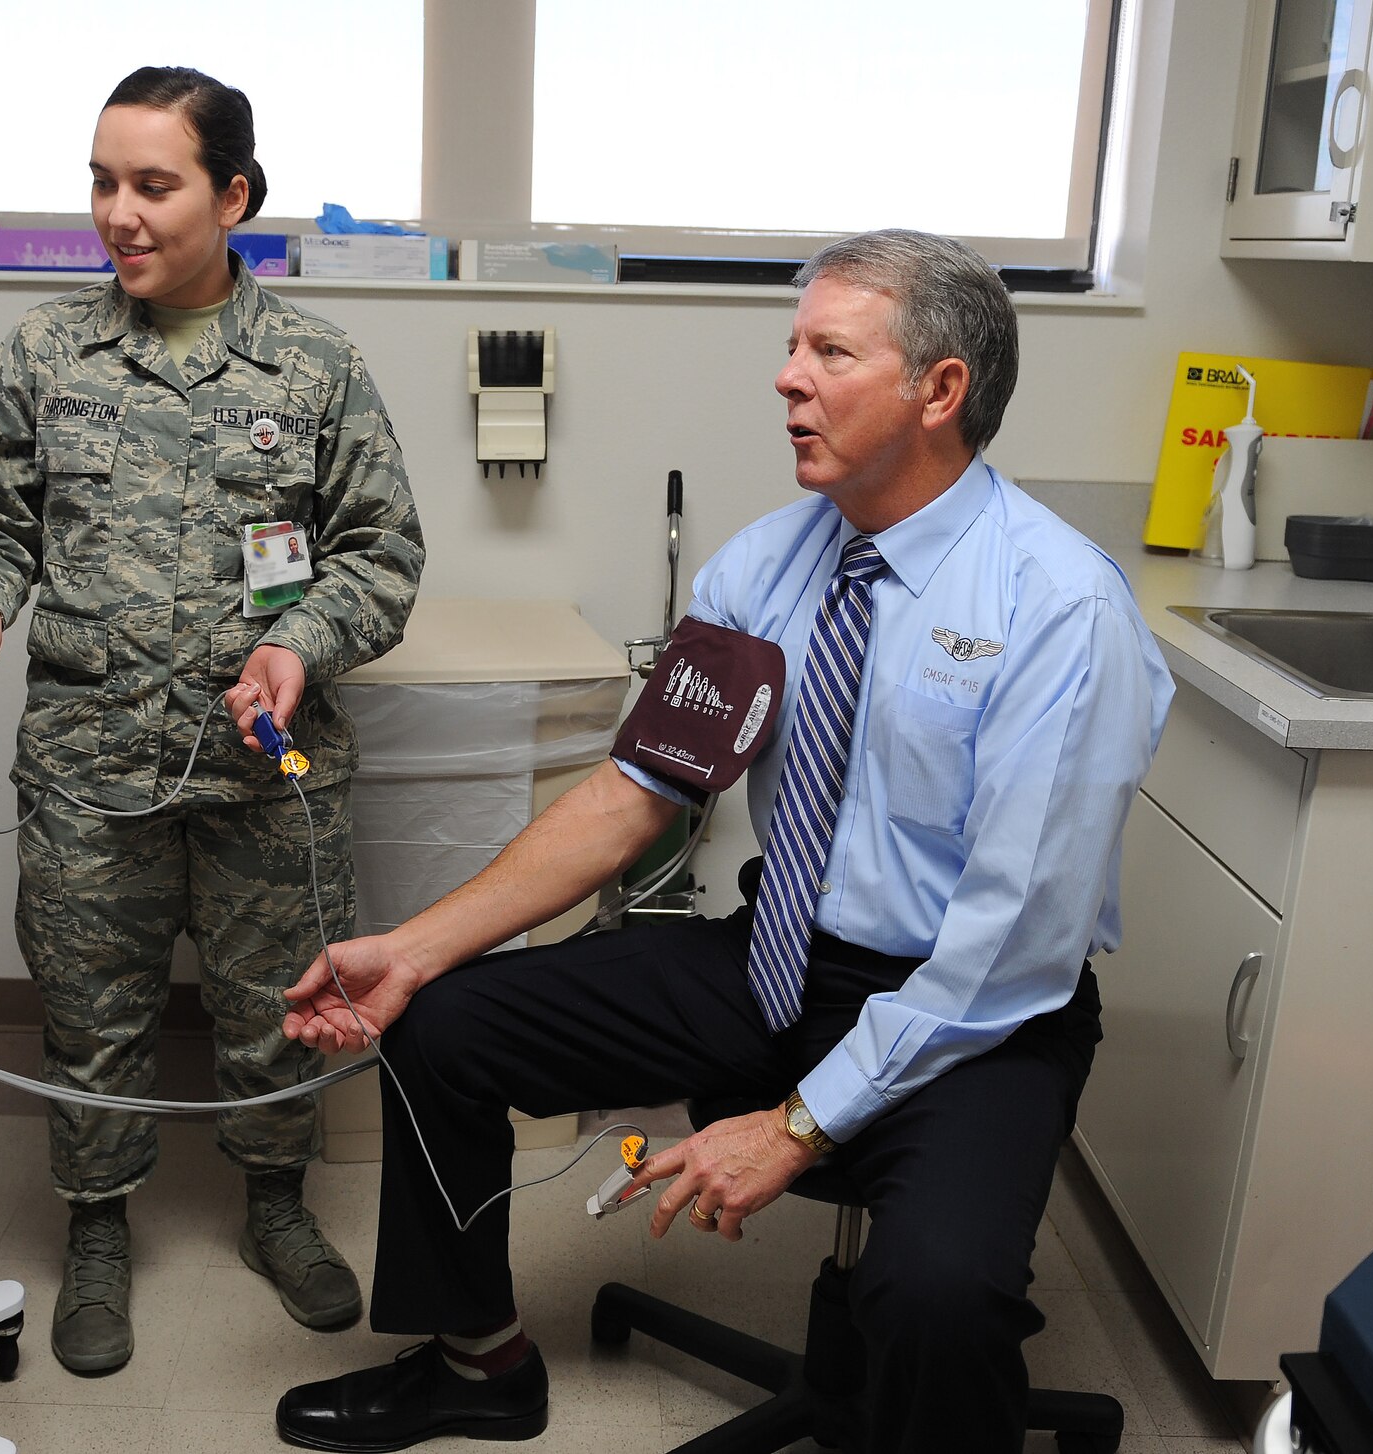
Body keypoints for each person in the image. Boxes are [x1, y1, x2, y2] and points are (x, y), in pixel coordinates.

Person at [267, 230, 1173, 1454]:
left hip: (975, 1011)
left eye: (828, 350)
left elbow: (1011, 944)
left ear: (939, 389)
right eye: (789, 345)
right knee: (442, 1025)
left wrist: (795, 1125)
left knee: (938, 1292)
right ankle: (476, 1361)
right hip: (782, 958)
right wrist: (412, 951)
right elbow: (638, 792)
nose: (785, 375)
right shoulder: (766, 565)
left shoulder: (1057, 608)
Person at [0, 66, 424, 1374]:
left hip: (266, 766)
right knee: (92, 1008)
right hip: (91, 764)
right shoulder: (46, 353)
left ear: (233, 194)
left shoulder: (314, 367)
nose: (119, 213)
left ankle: (274, 1207)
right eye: (102, 181)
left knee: (276, 1004)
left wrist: (299, 637)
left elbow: (378, 553)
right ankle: (96, 1226)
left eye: (154, 184)